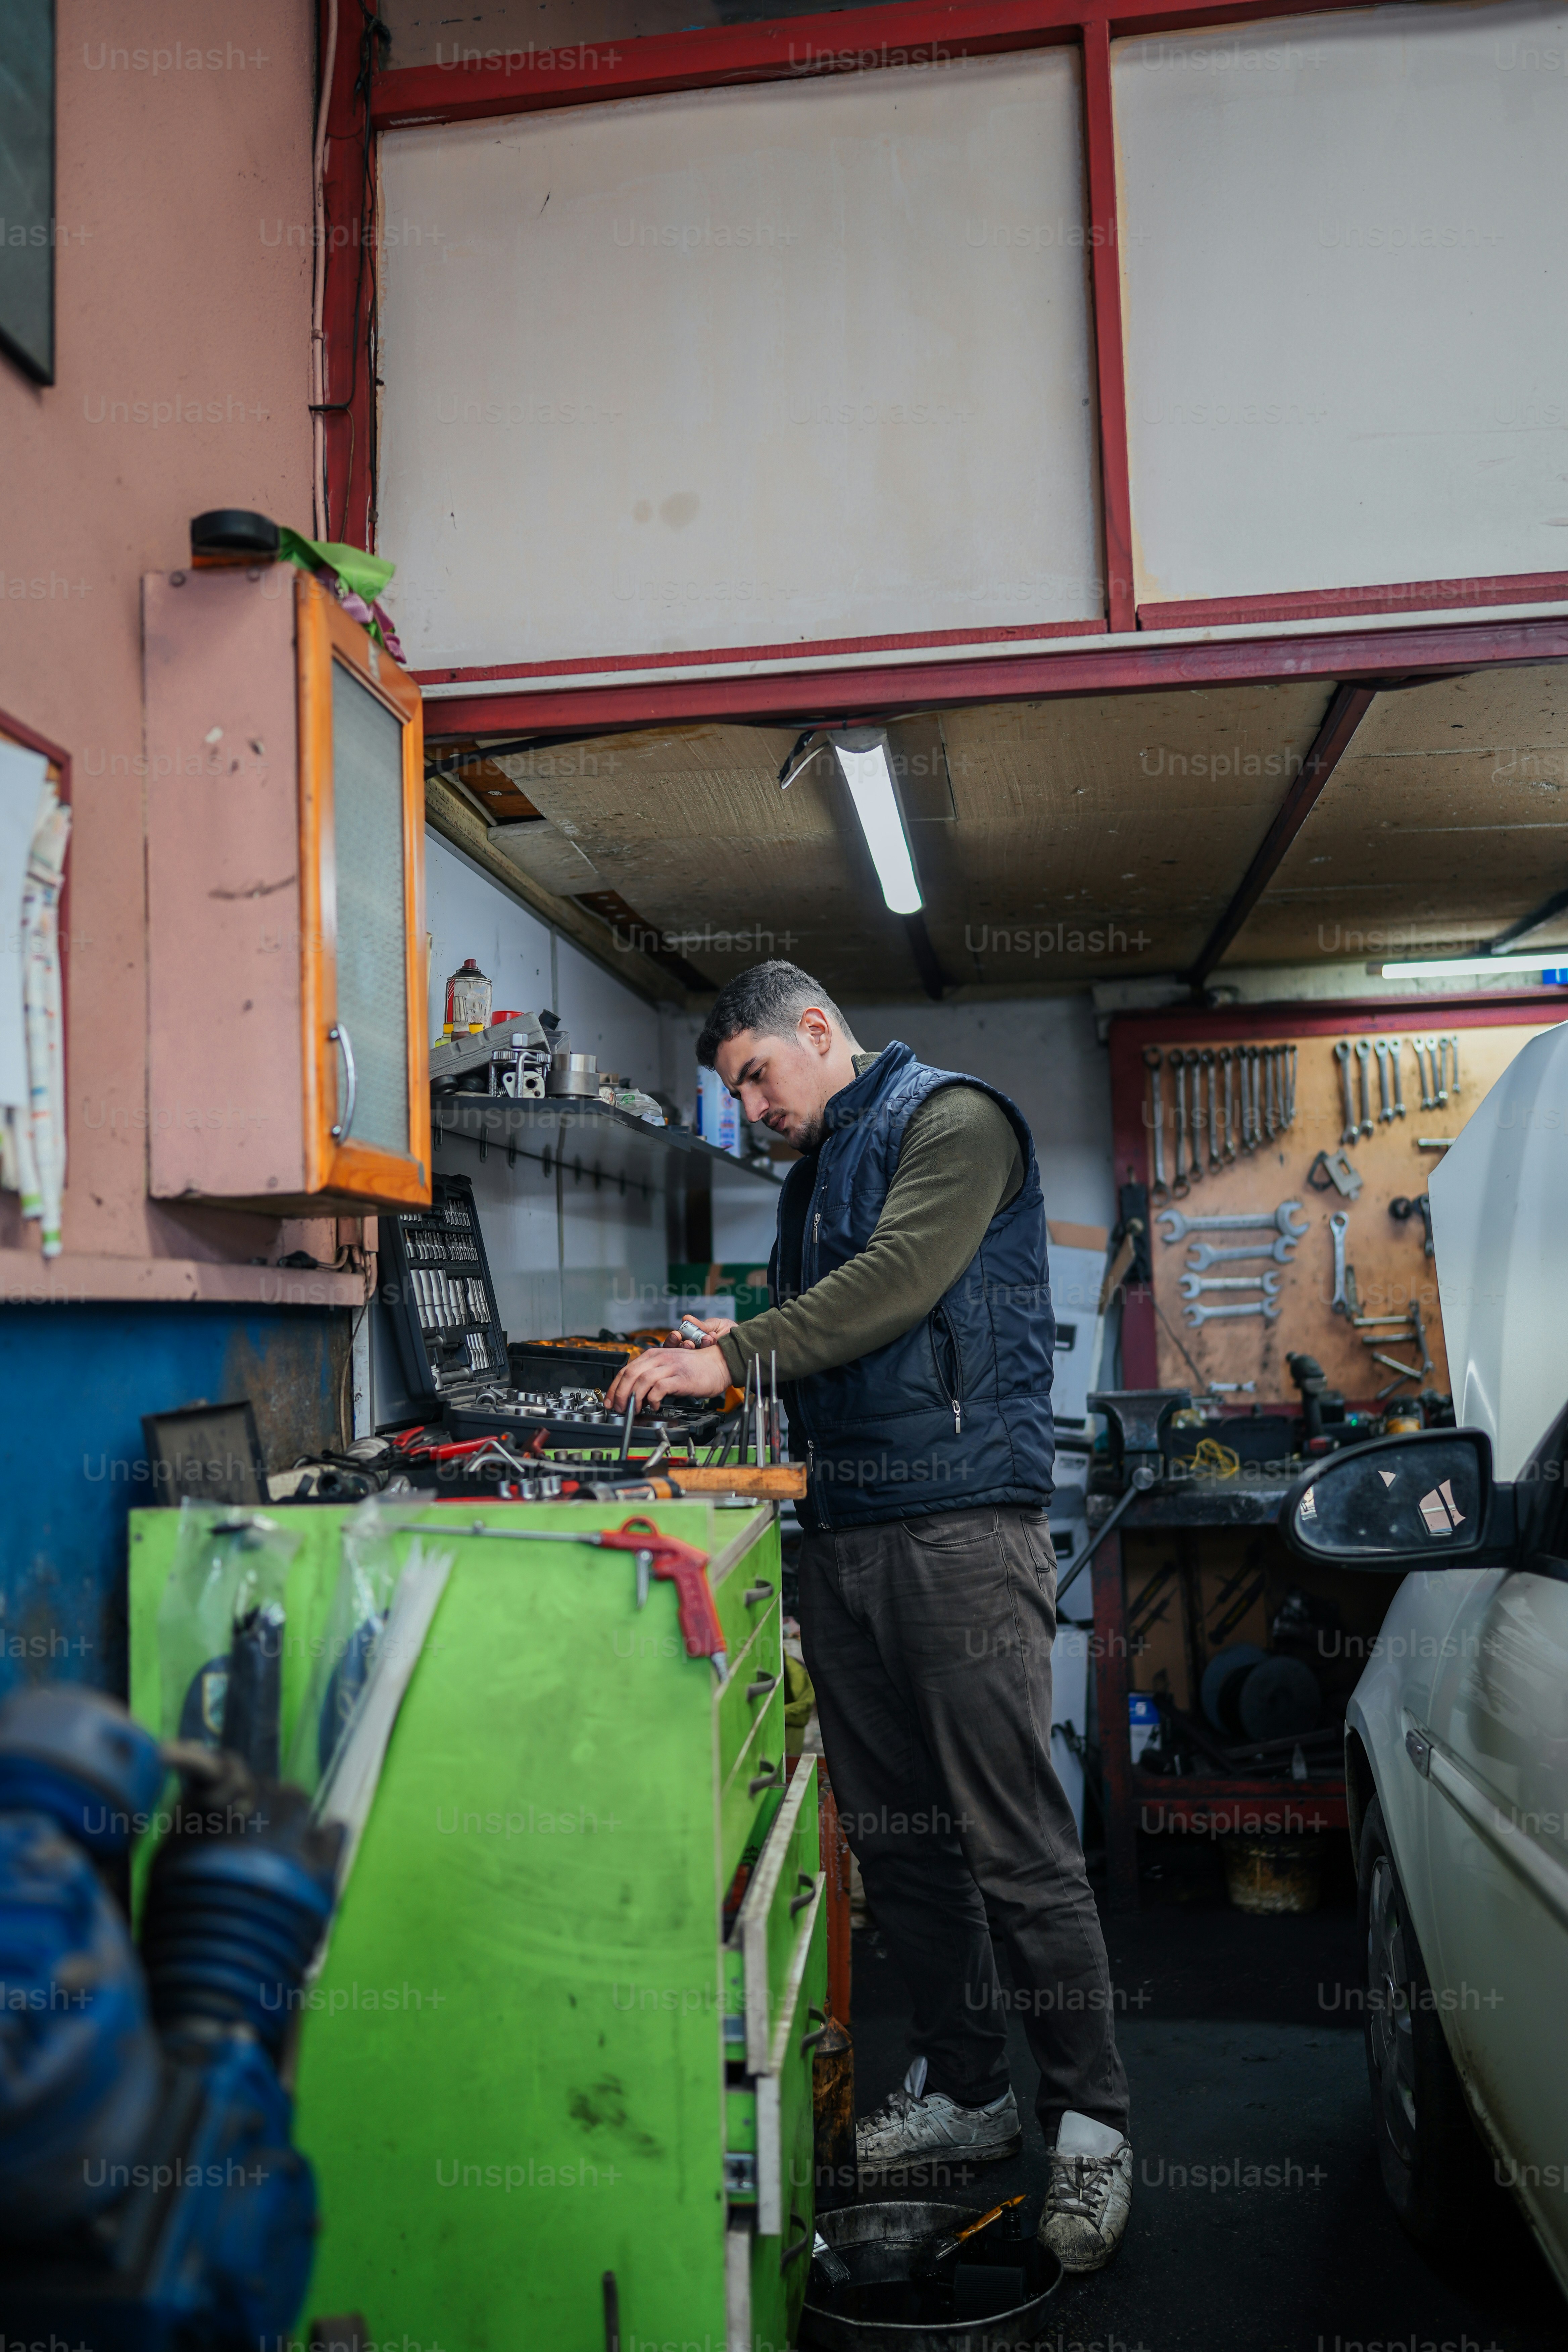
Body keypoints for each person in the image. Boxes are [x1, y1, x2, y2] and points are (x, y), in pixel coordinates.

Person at [606, 960, 1131, 2272]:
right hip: (844, 1528)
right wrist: (713, 1384)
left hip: (958, 1529)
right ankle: (969, 2089)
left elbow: (899, 1283)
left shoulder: (955, 1122)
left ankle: (1091, 2132)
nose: (752, 1107)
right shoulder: (814, 1172)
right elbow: (821, 1339)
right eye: (733, 1091)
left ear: (820, 1032)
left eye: (755, 1077)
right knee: (901, 1851)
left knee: (1014, 1848)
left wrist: (728, 1353)